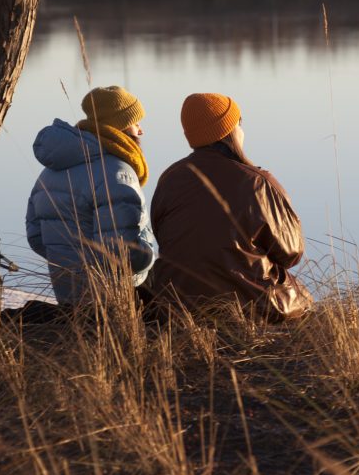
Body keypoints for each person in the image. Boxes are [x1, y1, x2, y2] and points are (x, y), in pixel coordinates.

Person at [147, 93, 312, 321]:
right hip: (249, 307)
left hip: (177, 305)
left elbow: (162, 236)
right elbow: (291, 252)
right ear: (229, 131)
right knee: (301, 297)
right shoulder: (257, 183)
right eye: (239, 123)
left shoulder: (169, 179)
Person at [26, 85, 155, 305]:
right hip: (111, 300)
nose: (140, 130)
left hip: (68, 293)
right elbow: (121, 252)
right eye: (135, 123)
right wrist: (149, 255)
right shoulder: (115, 172)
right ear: (120, 127)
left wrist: (66, 263)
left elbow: (36, 236)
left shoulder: (50, 172)